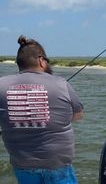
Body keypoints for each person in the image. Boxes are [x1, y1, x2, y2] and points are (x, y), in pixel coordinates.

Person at [0, 35, 84, 184]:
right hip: (57, 164)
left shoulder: (1, 84)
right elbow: (78, 115)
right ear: (40, 60)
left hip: (22, 164)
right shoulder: (61, 84)